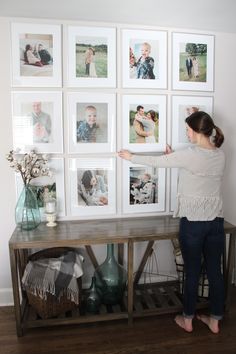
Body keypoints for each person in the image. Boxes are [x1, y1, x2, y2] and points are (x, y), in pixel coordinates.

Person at [118, 111, 225, 334]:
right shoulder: (219, 155)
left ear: (196, 131)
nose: (186, 133)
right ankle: (215, 319)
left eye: (188, 129)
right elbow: (196, 171)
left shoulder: (190, 155)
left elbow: (158, 161)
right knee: (215, 272)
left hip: (193, 224)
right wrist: (175, 156)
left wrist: (131, 157)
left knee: (192, 271)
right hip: (215, 222)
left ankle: (187, 319)